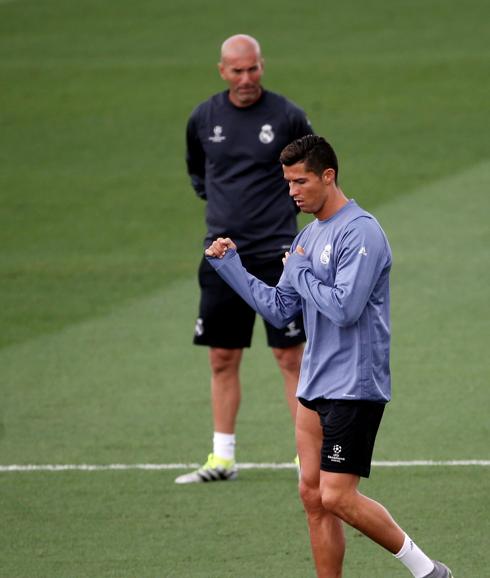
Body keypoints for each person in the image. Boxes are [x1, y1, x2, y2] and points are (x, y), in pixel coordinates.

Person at [204, 136, 453, 577]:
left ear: (328, 176)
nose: (292, 191)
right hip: (313, 387)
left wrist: (298, 271)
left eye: (300, 181)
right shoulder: (308, 235)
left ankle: (429, 571)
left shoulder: (361, 231)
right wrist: (232, 268)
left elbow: (345, 307)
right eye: (287, 183)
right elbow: (280, 310)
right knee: (313, 497)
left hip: (353, 386)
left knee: (337, 496)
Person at [176, 34, 313, 484]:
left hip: (277, 254)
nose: (246, 78)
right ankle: (222, 458)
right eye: (236, 70)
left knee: (290, 357)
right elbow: (198, 173)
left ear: (262, 66)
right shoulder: (204, 117)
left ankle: (303, 457)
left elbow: (310, 173)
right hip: (222, 255)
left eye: (252, 68)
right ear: (222, 71)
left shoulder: (287, 115)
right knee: (221, 356)